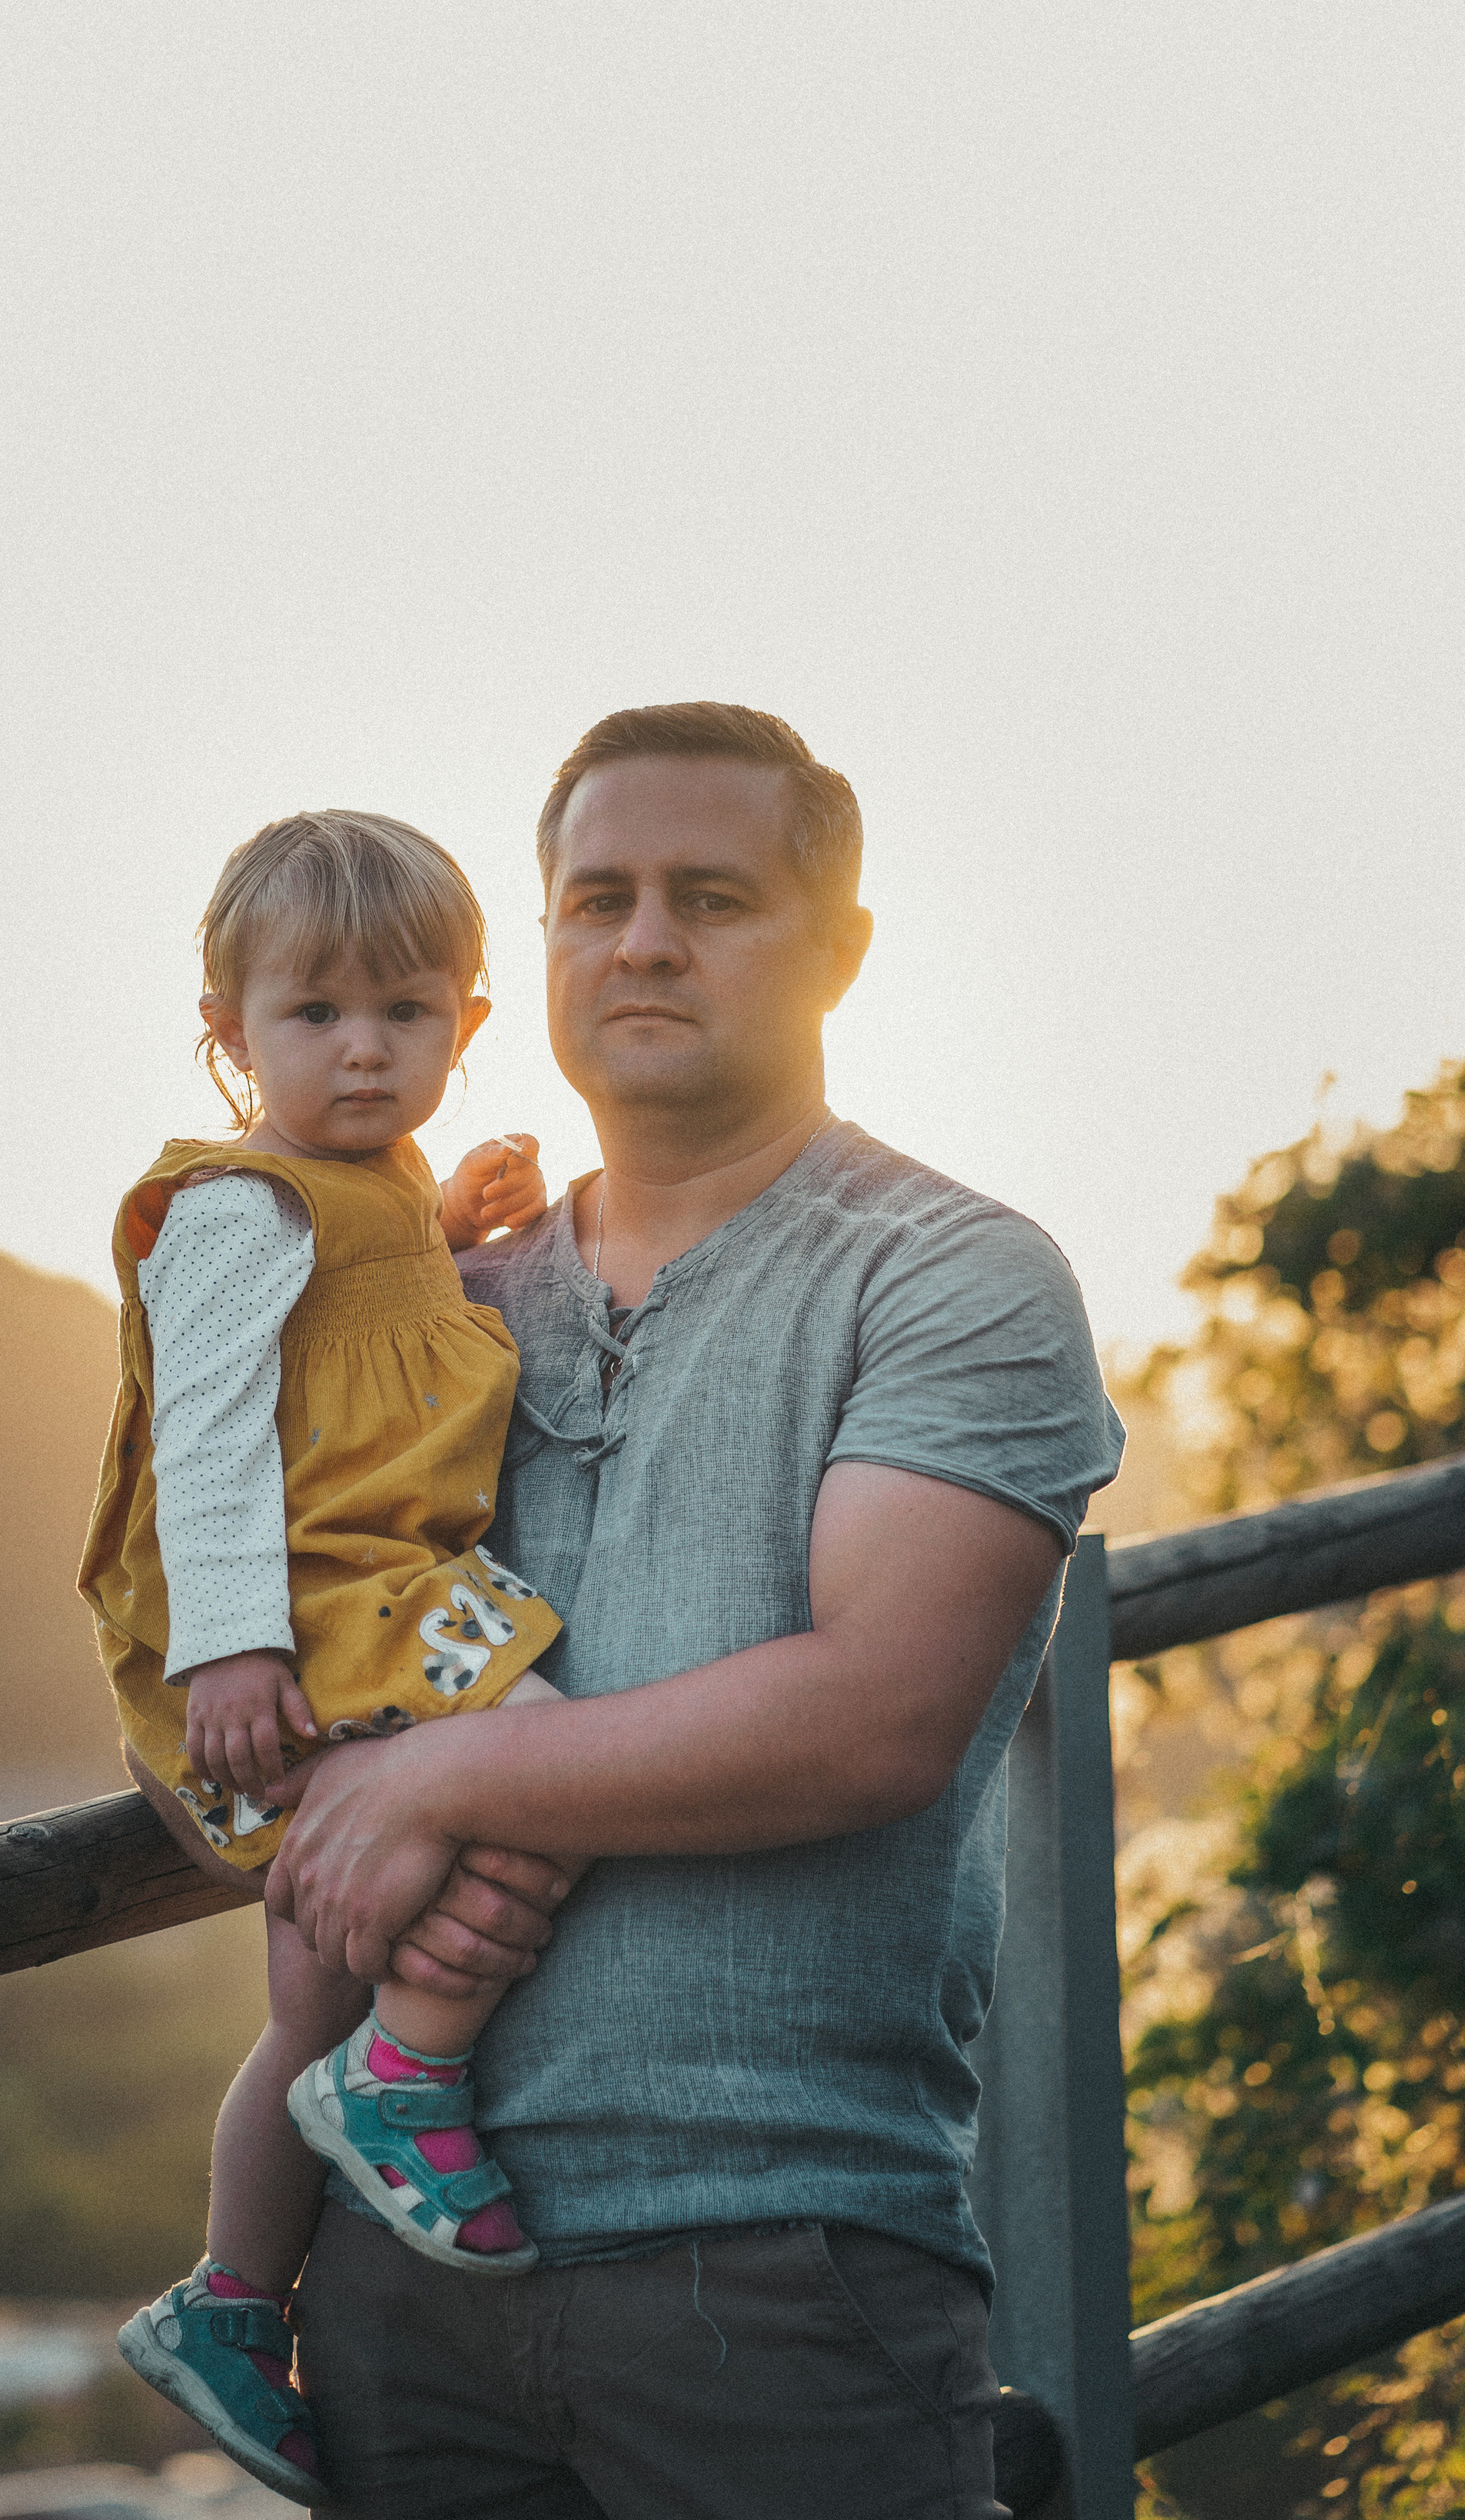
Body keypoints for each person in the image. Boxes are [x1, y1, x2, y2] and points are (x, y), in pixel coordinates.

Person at [267, 702, 1128, 2520]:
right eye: (597, 898)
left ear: (839, 949)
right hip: (397, 2270)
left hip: (774, 2263)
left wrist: (432, 1786)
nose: (642, 940)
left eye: (710, 896)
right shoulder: (438, 1299)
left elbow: (871, 1716)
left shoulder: (949, 1274)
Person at [80, 808, 583, 2504]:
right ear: (227, 1033)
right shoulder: (233, 1210)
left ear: (465, 1019)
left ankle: (230, 2303)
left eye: (406, 1011)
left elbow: (356, 1343)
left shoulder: (356, 1195)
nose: (364, 1049)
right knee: (549, 1746)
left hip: (338, 1597)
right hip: (296, 1612)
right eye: (314, 1016)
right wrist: (228, 1648)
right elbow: (214, 1436)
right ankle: (411, 2071)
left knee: (306, 1973)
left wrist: (441, 1228)